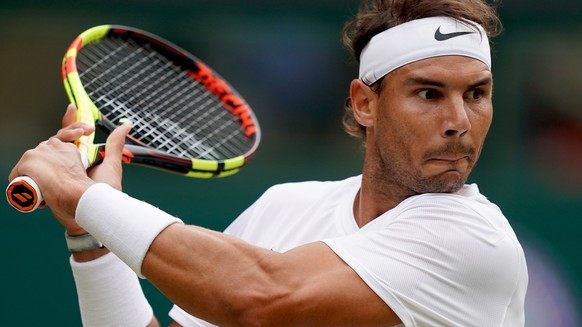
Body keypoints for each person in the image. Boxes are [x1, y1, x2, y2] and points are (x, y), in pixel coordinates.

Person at [9, 0, 528, 326]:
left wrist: (87, 196)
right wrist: (89, 238)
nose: (459, 119)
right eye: (429, 93)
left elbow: (258, 298)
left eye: (477, 94)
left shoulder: (473, 240)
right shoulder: (286, 208)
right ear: (365, 103)